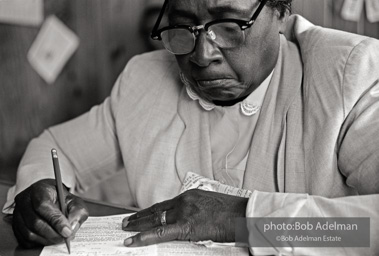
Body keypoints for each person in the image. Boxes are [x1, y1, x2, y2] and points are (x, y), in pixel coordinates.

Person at [3, 0, 379, 254]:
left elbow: (368, 230)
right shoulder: (145, 80)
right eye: (183, 28)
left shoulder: (347, 76)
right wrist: (39, 191)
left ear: (280, 12)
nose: (202, 55)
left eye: (229, 25)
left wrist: (244, 220)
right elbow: (56, 148)